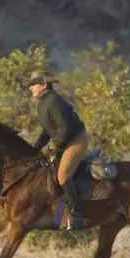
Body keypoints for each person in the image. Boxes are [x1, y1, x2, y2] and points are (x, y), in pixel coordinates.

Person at [26, 74, 90, 230]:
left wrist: (52, 146)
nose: (31, 87)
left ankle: (76, 215)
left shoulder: (54, 101)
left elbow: (65, 129)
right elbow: (49, 129)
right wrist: (38, 145)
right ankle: (58, 213)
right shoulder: (42, 103)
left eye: (34, 84)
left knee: (63, 176)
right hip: (64, 141)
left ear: (44, 85)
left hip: (76, 140)